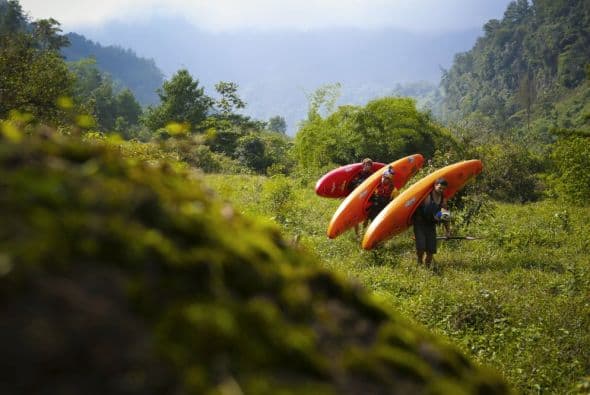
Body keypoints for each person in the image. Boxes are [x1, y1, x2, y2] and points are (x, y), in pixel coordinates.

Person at [412, 177, 451, 267]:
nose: (441, 190)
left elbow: (446, 217)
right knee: (421, 247)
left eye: (443, 189)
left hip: (431, 225)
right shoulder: (426, 196)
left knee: (431, 250)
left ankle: (427, 268)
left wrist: (448, 231)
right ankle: (419, 262)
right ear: (435, 186)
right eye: (440, 188)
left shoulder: (443, 200)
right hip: (420, 223)